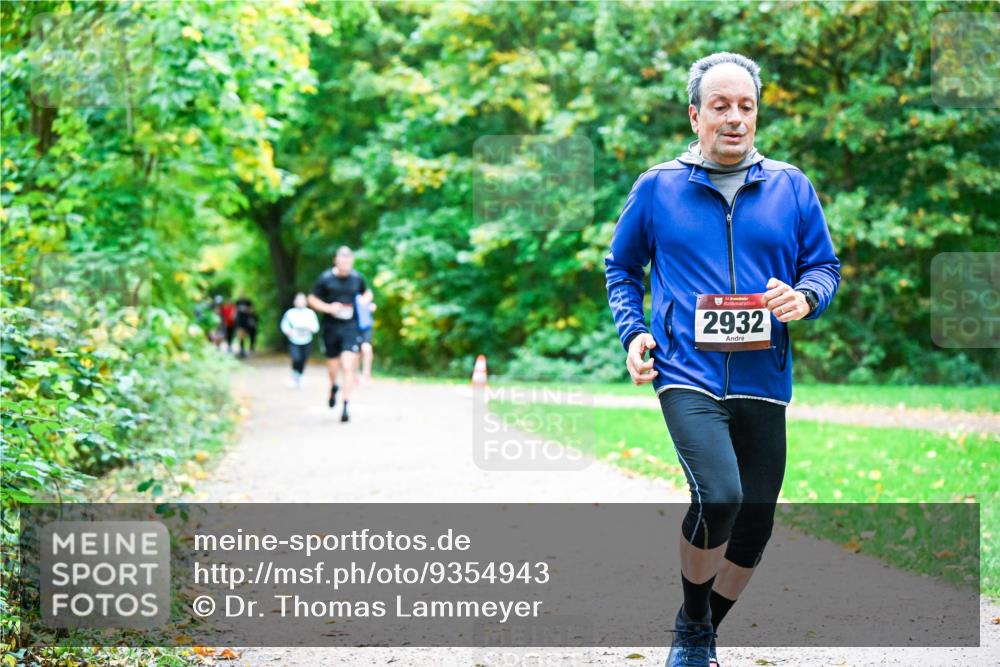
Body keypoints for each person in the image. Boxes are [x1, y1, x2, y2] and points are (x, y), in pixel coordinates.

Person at [604, 52, 840, 667]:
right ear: (695, 114)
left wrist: (805, 296)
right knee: (721, 494)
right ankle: (694, 630)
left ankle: (698, 626)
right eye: (721, 106)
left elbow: (823, 266)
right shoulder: (659, 186)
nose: (735, 118)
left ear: (756, 114)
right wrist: (633, 332)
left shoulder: (791, 186)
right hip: (686, 371)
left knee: (755, 525)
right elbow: (622, 269)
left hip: (764, 375)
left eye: (746, 106)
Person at [307, 246, 374, 422]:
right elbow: (312, 299)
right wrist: (328, 308)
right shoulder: (326, 278)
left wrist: (365, 302)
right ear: (336, 260)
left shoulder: (357, 278)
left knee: (348, 365)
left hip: (350, 327)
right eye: (342, 261)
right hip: (331, 327)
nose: (345, 264)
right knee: (333, 367)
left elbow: (367, 292)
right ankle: (333, 386)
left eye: (348, 261)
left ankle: (345, 405)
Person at [280, 292, 320, 388]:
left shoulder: (310, 313)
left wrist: (309, 328)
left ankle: (300, 376)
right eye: (298, 300)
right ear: (295, 301)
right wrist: (289, 331)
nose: (300, 302)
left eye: (302, 300)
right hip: (294, 340)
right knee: (296, 358)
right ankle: (294, 376)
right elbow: (284, 325)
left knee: (303, 359)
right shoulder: (290, 313)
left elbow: (315, 327)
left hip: (307, 340)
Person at [355, 293, 376, 384]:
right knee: (356, 353)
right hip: (355, 328)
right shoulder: (355, 298)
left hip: (367, 328)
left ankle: (366, 374)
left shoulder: (369, 304)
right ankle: (355, 375)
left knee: (367, 348)